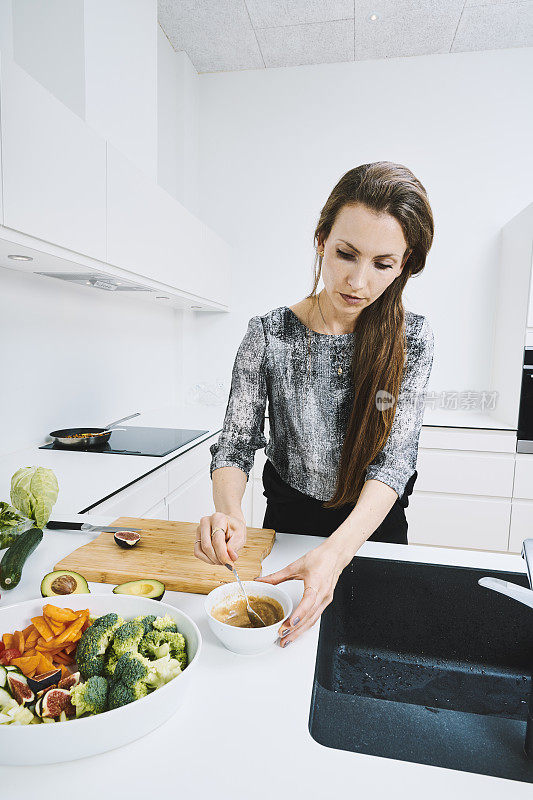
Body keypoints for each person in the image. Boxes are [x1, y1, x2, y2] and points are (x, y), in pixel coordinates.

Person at [195, 161, 435, 648]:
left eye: (383, 264)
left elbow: (396, 461)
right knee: (287, 653)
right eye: (346, 253)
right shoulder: (268, 335)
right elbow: (237, 443)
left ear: (406, 263)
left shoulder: (414, 340)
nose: (358, 282)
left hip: (372, 526)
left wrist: (337, 553)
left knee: (371, 648)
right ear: (321, 240)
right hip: (290, 522)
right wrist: (229, 513)